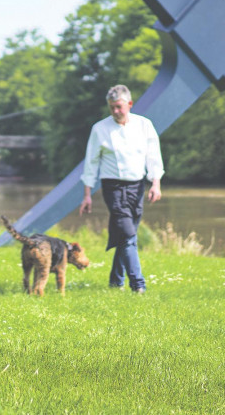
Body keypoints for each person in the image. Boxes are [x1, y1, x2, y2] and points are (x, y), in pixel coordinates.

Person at [79, 84, 164, 293]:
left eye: (119, 107)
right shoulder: (100, 129)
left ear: (129, 104)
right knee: (127, 235)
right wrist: (87, 194)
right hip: (113, 187)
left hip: (137, 186)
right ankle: (138, 285)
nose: (116, 111)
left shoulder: (144, 125)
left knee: (126, 233)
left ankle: (116, 281)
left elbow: (153, 156)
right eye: (112, 108)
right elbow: (91, 162)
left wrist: (155, 183)